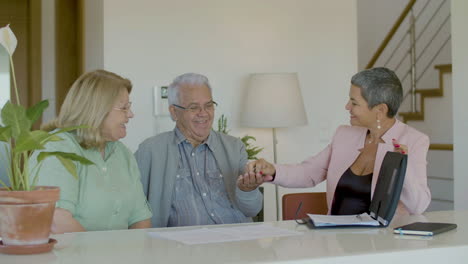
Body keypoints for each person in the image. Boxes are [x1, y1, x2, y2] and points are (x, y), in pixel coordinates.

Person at [240, 67, 431, 215]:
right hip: (336, 239)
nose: (347, 106)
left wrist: (402, 166)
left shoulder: (414, 141)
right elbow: (308, 173)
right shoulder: (344, 135)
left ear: (380, 110)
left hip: (384, 244)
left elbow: (418, 206)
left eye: (354, 103)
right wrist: (273, 170)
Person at [30, 70, 152, 233]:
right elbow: (56, 220)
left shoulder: (123, 153)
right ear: (97, 109)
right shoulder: (57, 148)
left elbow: (140, 218)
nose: (130, 114)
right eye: (123, 108)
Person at [135, 73, 263, 227]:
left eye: (208, 105)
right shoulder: (150, 151)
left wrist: (248, 190)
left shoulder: (234, 147)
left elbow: (253, 210)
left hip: (236, 240)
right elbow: (133, 209)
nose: (203, 113)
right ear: (174, 112)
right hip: (181, 247)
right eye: (194, 107)